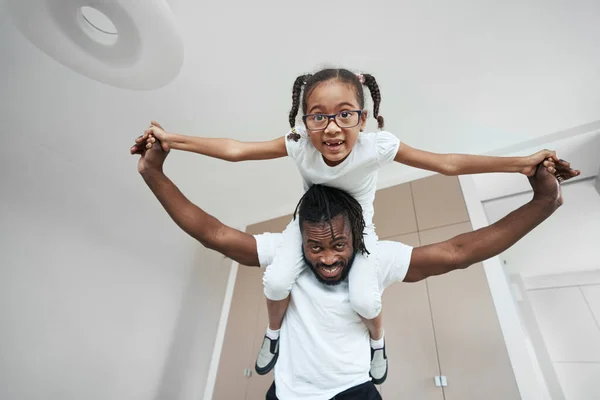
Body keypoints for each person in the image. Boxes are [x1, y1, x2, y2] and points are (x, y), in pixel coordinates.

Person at [135, 68, 579, 382]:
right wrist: (168, 144)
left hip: (361, 234)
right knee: (275, 280)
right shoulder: (297, 151)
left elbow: (447, 168)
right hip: (301, 243)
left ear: (363, 118)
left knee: (365, 295)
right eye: (318, 116)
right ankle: (272, 336)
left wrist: (522, 165)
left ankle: (378, 344)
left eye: (345, 114)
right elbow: (232, 159)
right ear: (304, 121)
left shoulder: (378, 150)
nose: (332, 127)